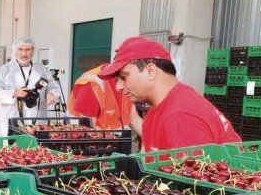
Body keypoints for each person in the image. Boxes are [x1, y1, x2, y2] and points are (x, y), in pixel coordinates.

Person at [98, 36, 241, 151]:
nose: (118, 87)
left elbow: (194, 184)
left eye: (124, 77)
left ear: (150, 71)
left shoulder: (180, 118)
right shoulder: (156, 111)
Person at [0, 37, 60, 138]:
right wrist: (13, 93)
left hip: (38, 122)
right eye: (20, 49)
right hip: (13, 122)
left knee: (39, 151)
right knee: (15, 151)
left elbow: (53, 87)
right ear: (14, 51)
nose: (24, 54)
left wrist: (52, 94)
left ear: (33, 51)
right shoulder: (4, 70)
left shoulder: (42, 69)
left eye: (27, 50)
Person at [68, 63, 134, 129]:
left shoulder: (129, 83)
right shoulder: (90, 85)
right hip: (87, 136)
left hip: (119, 137)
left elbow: (133, 119)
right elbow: (85, 130)